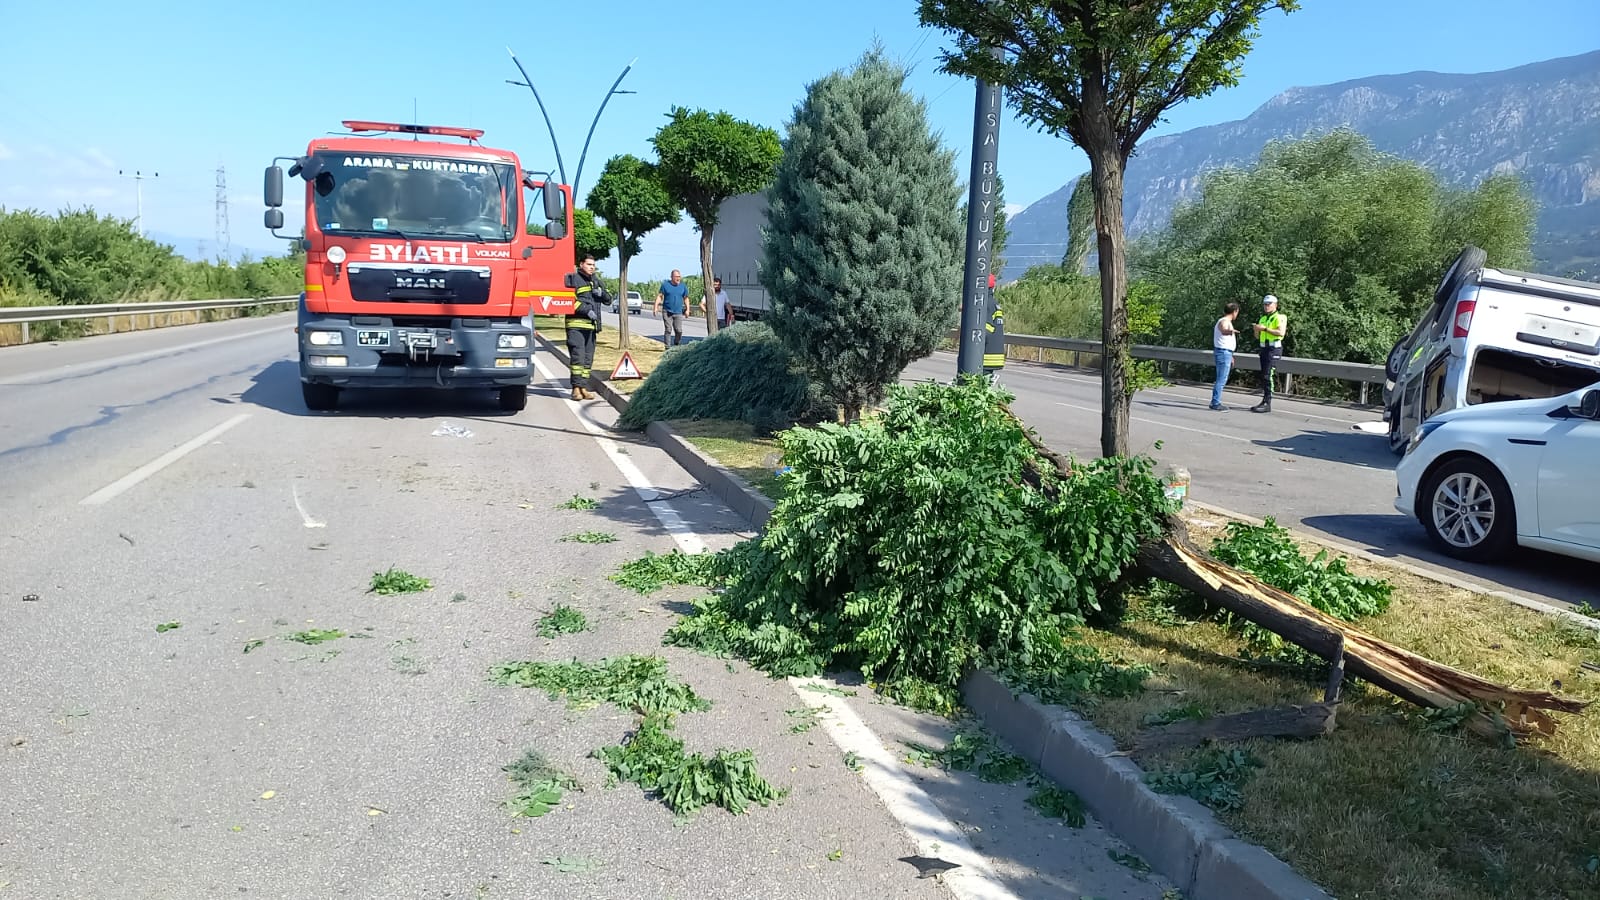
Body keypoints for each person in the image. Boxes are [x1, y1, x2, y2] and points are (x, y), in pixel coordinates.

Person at [562, 254, 608, 401]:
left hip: (591, 327)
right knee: (578, 358)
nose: (592, 267)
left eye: (593, 265)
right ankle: (575, 389)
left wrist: (602, 294)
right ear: (581, 264)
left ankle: (583, 387)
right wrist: (585, 310)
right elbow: (569, 300)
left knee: (588, 359)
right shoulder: (573, 279)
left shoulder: (596, 280)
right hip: (576, 325)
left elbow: (608, 299)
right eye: (589, 264)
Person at [1250, 294, 1287, 413]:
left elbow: (1280, 332)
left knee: (1268, 375)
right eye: (1265, 304)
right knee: (1264, 375)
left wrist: (1265, 329)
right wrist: (1256, 330)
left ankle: (1268, 402)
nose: (1266, 306)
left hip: (1274, 349)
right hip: (1264, 349)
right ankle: (1264, 400)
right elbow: (1257, 336)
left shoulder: (1279, 317)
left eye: (1269, 304)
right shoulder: (1263, 318)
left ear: (1275, 305)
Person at [1210, 302, 1240, 410]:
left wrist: (1231, 355)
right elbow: (1223, 329)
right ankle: (1215, 402)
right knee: (1221, 379)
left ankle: (1215, 401)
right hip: (1223, 352)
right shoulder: (1224, 321)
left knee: (1221, 378)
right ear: (1234, 311)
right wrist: (1229, 331)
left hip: (1225, 352)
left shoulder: (1226, 321)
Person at [655, 270, 690, 346]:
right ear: (672, 277)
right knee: (668, 329)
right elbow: (660, 296)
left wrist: (687, 309)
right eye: (676, 277)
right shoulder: (665, 285)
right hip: (667, 311)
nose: (678, 278)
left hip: (678, 312)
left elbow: (686, 298)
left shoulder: (683, 286)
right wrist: (656, 307)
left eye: (679, 277)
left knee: (679, 330)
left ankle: (676, 342)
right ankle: (667, 347)